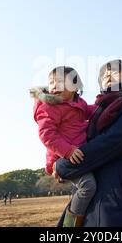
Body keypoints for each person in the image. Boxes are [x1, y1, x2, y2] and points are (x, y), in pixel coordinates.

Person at [54, 60, 122, 227]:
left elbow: (109, 143)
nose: (108, 75)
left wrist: (65, 166)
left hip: (118, 201)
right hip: (92, 197)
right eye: (104, 74)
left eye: (115, 71)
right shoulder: (99, 110)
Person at [31, 66, 97, 227]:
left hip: (78, 155)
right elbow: (46, 134)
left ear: (75, 87)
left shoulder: (78, 104)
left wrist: (109, 103)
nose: (54, 86)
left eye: (60, 82)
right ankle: (70, 224)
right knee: (88, 186)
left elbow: (91, 110)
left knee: (91, 186)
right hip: (61, 158)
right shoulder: (49, 107)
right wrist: (67, 151)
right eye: (52, 82)